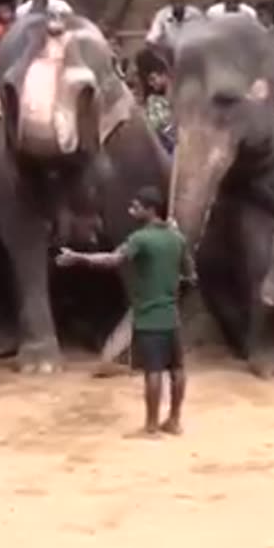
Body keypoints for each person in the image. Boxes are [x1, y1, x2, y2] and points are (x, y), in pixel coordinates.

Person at [55, 187, 189, 438]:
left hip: (149, 316)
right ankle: (174, 420)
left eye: (136, 207)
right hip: (172, 316)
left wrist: (78, 257)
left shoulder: (140, 239)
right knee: (178, 370)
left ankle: (150, 426)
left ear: (150, 210)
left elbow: (112, 260)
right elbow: (190, 275)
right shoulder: (177, 239)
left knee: (153, 371)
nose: (131, 211)